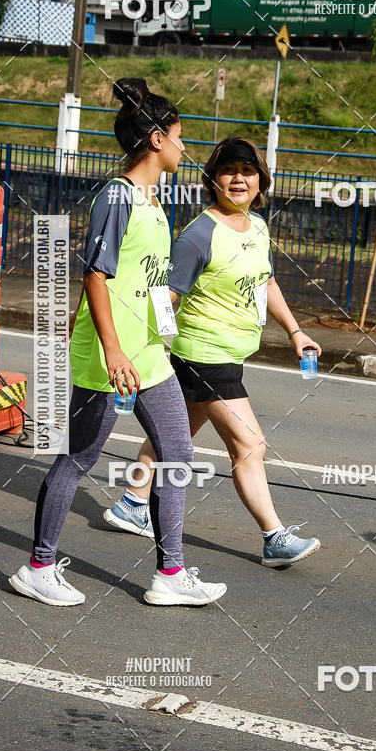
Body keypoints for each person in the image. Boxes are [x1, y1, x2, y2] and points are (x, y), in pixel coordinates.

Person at [9, 78, 227, 607]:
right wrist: (108, 347)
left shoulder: (155, 202)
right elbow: (96, 275)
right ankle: (38, 565)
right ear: (156, 138)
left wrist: (164, 333)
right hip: (111, 357)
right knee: (77, 459)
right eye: (178, 136)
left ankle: (170, 574)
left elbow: (143, 279)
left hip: (149, 356)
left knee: (176, 454)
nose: (183, 146)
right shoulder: (118, 195)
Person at [105, 136, 322, 568]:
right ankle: (273, 536)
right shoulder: (199, 233)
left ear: (261, 180)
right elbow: (165, 297)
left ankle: (131, 502)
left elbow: (265, 282)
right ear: (214, 180)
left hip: (228, 353)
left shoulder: (257, 226)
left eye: (248, 170)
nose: (238, 177)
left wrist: (295, 332)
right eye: (228, 170)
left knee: (176, 436)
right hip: (205, 354)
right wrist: (124, 343)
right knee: (249, 445)